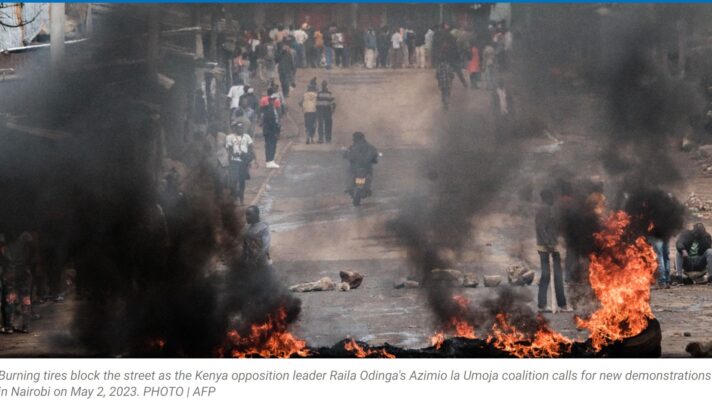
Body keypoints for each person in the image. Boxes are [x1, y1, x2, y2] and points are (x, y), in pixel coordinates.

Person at [535, 190, 571, 313]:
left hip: (551, 247)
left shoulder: (548, 209)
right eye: (552, 197)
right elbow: (541, 228)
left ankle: (559, 304)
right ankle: (545, 305)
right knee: (548, 275)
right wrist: (548, 243)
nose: (554, 200)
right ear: (547, 198)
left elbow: (551, 227)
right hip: (546, 248)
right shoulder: (544, 210)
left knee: (556, 276)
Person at [1, 232, 34, 334]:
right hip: (24, 276)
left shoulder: (7, 249)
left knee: (10, 300)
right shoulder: (29, 249)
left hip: (11, 275)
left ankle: (9, 327)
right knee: (25, 300)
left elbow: (6, 261)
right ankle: (25, 326)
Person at [226, 122, 255, 204]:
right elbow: (230, 150)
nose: (240, 129)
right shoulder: (230, 137)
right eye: (238, 128)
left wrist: (252, 158)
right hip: (234, 162)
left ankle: (242, 199)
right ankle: (234, 198)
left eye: (241, 128)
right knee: (234, 181)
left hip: (243, 162)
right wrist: (230, 160)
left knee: (242, 181)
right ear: (235, 128)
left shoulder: (247, 137)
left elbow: (251, 148)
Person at [344, 131, 379, 196]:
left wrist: (347, 156)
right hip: (365, 166)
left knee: (350, 173)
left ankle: (350, 187)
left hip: (357, 166)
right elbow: (375, 153)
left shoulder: (354, 146)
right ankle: (366, 188)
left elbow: (347, 153)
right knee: (368, 175)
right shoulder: (369, 146)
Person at [262, 92, 282, 169]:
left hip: (273, 130)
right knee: (270, 146)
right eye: (272, 100)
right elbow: (270, 122)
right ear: (269, 101)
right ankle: (269, 161)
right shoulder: (269, 109)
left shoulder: (273, 108)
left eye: (274, 100)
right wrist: (275, 131)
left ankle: (271, 160)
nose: (273, 101)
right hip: (270, 131)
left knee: (273, 146)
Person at [300, 79, 319, 144]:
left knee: (307, 124)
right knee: (313, 124)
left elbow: (300, 103)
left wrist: (303, 107)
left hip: (307, 111)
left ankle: (307, 136)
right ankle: (312, 138)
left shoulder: (305, 95)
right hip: (314, 111)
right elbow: (318, 103)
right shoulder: (316, 95)